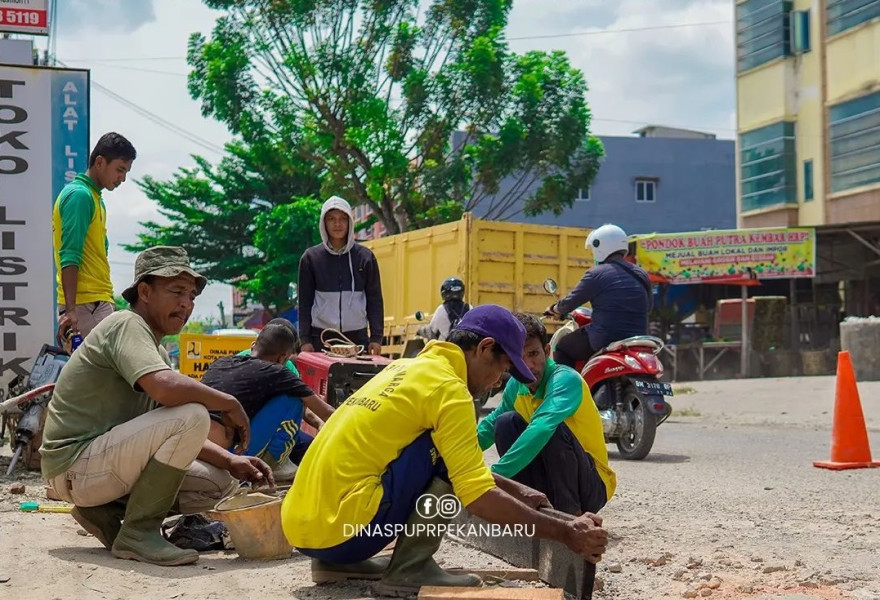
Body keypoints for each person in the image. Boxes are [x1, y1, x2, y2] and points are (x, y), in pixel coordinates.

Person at [282, 305, 608, 596]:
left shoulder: (403, 368)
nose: (499, 382)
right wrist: (565, 531)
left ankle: (335, 564)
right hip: (347, 534)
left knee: (436, 448)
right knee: (440, 451)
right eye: (503, 368)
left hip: (306, 530)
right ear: (484, 348)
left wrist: (517, 489)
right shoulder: (451, 392)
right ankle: (411, 568)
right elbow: (476, 495)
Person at [40, 246, 273, 567]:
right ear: (145, 292)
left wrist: (231, 460)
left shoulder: (155, 352)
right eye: (176, 291)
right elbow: (169, 394)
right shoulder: (126, 324)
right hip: (75, 465)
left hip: (94, 469)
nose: (186, 303)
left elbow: (168, 432)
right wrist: (228, 402)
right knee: (193, 413)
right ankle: (139, 532)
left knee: (218, 482)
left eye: (192, 296)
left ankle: (104, 512)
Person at [478, 313, 616, 516]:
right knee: (504, 422)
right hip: (549, 477)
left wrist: (493, 478)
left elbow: (541, 427)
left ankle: (571, 514)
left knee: (550, 428)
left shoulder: (565, 379)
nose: (528, 365)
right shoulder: (516, 386)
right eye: (519, 358)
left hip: (591, 485)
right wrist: (451, 460)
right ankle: (527, 506)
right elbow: (488, 428)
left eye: (533, 354)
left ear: (546, 351)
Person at [201, 322, 336, 482]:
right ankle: (268, 466)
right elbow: (326, 412)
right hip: (227, 451)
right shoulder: (278, 372)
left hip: (198, 444)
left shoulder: (221, 363)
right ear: (282, 357)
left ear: (253, 345)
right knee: (293, 400)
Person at [53, 132, 137, 344]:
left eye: (126, 172)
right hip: (86, 306)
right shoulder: (80, 196)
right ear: (100, 162)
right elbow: (70, 254)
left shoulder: (95, 198)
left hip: (95, 303)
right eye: (119, 170)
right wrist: (71, 311)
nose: (122, 178)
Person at [546, 223, 652, 368]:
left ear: (599, 246)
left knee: (563, 346)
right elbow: (648, 307)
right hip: (638, 339)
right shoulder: (641, 274)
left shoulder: (596, 274)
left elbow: (571, 301)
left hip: (604, 338)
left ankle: (568, 383)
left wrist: (555, 309)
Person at [298, 196, 384, 355]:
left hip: (357, 339)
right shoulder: (311, 258)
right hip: (321, 338)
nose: (337, 224)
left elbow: (375, 300)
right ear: (324, 222)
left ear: (350, 222)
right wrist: (305, 339)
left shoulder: (365, 257)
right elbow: (304, 302)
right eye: (331, 219)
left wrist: (376, 337)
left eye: (343, 219)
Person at [419, 277, 471, 341]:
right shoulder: (470, 308)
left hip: (446, 345)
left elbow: (432, 330)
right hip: (468, 345)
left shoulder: (441, 309)